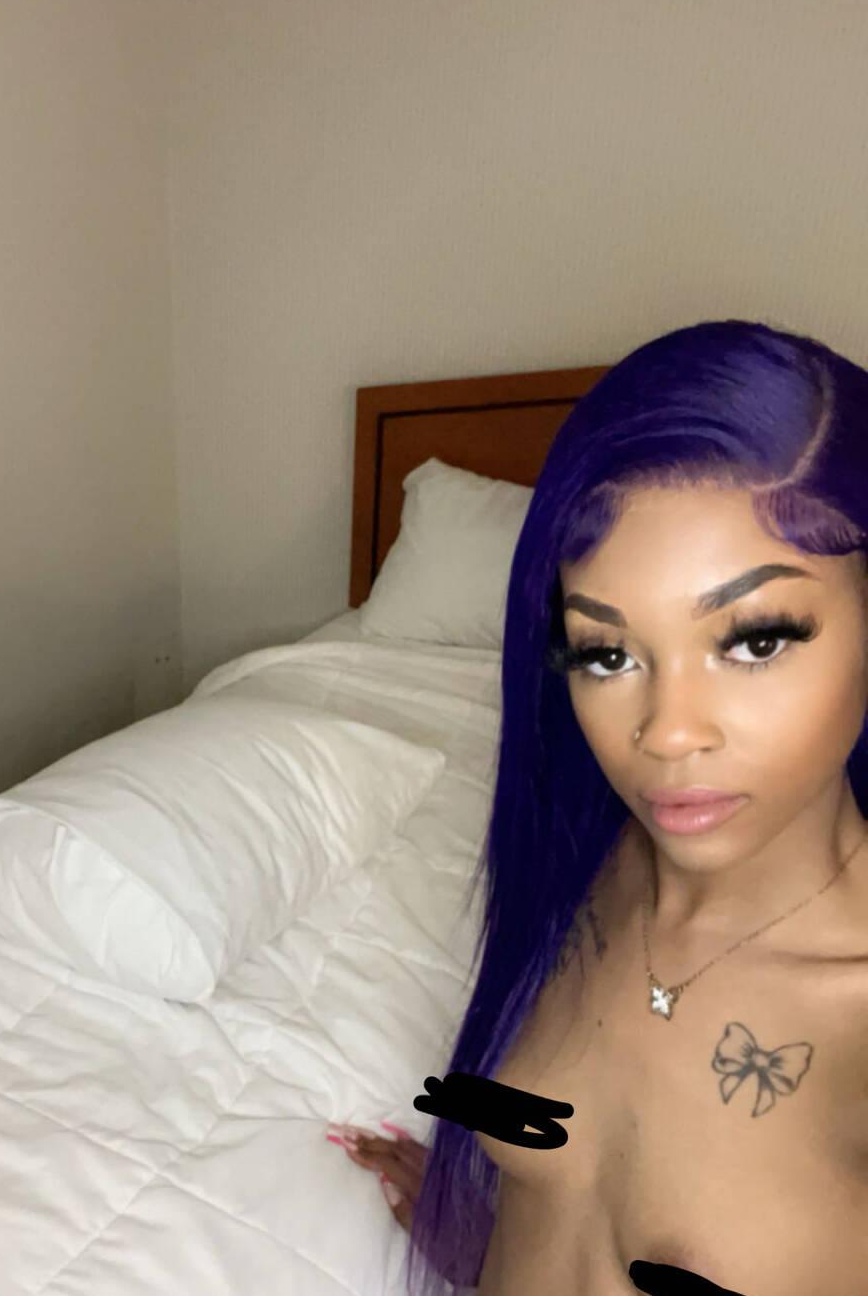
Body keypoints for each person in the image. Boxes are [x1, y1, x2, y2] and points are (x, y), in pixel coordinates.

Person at [330, 322, 868, 1295]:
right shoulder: (592, 858)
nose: (665, 733)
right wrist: (472, 1216)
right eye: (607, 653)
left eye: (753, 641)